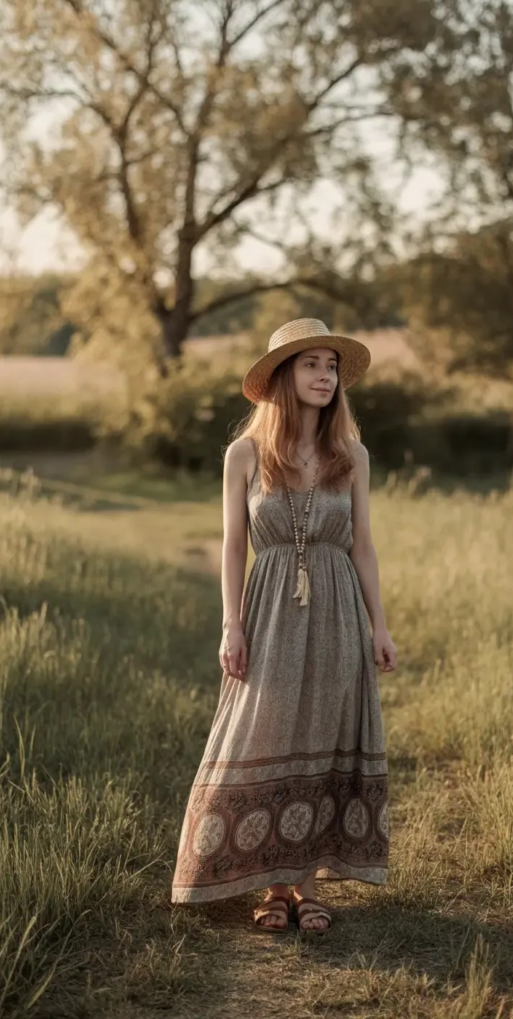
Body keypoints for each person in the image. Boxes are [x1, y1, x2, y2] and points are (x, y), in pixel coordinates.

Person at [171, 318, 397, 934]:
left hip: (338, 609)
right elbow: (232, 546)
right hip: (268, 606)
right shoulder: (243, 454)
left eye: (331, 366)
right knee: (263, 730)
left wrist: (380, 625)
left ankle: (304, 886)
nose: (324, 376)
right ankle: (268, 884)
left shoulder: (352, 455)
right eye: (311, 365)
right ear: (281, 377)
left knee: (323, 734)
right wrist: (230, 625)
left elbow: (365, 546)